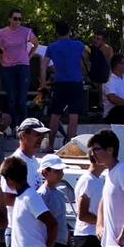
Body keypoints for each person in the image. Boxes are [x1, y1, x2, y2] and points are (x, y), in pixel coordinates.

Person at [1, 117, 47, 247]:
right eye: (36, 135)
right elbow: (6, 197)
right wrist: (32, 205)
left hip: (33, 231)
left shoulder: (34, 162)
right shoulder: (15, 162)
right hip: (18, 229)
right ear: (23, 135)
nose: (39, 139)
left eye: (41, 136)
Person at [0, 9, 39, 129]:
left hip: (23, 66)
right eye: (15, 18)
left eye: (20, 19)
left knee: (22, 98)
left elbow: (36, 43)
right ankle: (12, 126)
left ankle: (25, 127)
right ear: (9, 19)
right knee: (11, 97)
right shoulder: (2, 32)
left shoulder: (26, 31)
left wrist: (29, 56)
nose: (17, 21)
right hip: (8, 67)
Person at [44, 21, 87, 151]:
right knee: (74, 114)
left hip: (60, 82)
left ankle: (50, 145)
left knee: (55, 114)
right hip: (76, 82)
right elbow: (85, 62)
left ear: (57, 33)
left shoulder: (52, 47)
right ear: (69, 32)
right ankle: (70, 145)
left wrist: (42, 82)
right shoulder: (79, 45)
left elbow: (43, 64)